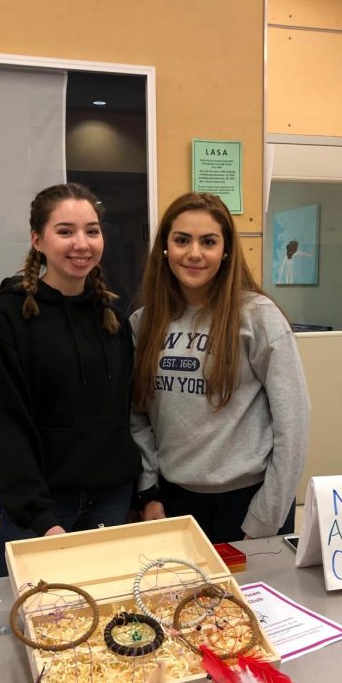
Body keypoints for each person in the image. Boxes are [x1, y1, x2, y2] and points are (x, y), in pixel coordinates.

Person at [0, 182, 141, 576]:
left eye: (92, 230)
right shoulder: (6, 318)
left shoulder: (114, 317)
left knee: (103, 616)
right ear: (38, 240)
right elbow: (5, 426)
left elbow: (128, 413)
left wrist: (138, 492)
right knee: (30, 623)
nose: (81, 243)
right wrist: (41, 518)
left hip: (111, 500)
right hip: (43, 510)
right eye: (65, 231)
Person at [131, 192, 310, 544]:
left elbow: (294, 423)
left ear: (225, 250)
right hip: (174, 501)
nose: (194, 253)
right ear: (165, 247)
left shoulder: (258, 317)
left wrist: (265, 517)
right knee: (181, 600)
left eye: (208, 241)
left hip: (249, 503)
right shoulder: (144, 323)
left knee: (246, 601)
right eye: (182, 240)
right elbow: (137, 416)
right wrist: (148, 493)